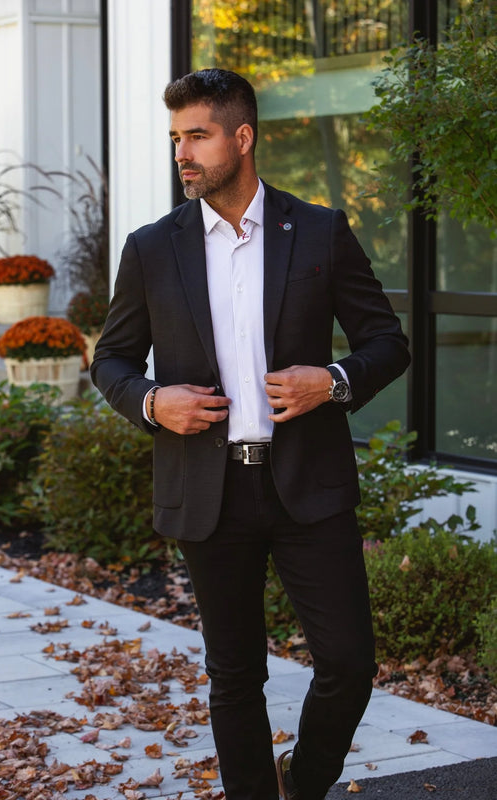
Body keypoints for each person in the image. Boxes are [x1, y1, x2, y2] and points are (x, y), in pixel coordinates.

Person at [91, 68, 410, 800]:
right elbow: (110, 358)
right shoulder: (151, 246)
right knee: (234, 675)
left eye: (197, 135)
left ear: (242, 137)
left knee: (348, 662)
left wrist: (329, 381)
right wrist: (149, 402)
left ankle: (303, 784)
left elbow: (386, 342)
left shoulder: (320, 230)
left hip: (308, 485)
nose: (183, 154)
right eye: (176, 138)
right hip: (209, 491)